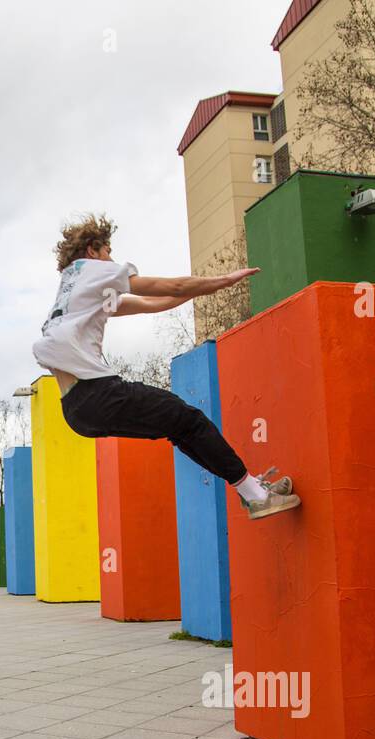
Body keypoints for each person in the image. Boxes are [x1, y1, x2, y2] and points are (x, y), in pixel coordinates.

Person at [32, 213, 300, 519]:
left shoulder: (72, 292)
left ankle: (251, 490)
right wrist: (221, 281)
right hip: (100, 394)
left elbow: (153, 303)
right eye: (108, 252)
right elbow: (166, 287)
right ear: (93, 250)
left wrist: (194, 291)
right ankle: (253, 494)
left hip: (76, 412)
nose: (111, 259)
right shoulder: (92, 270)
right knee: (191, 420)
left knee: (179, 427)